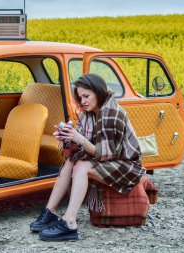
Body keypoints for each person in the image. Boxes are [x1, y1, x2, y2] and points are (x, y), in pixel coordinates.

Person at [30, 73, 145, 241]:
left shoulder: (112, 112)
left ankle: (69, 221)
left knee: (81, 166)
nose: (82, 101)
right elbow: (79, 148)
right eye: (80, 97)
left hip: (125, 166)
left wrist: (79, 138)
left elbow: (106, 154)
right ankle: (49, 212)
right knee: (71, 160)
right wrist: (67, 138)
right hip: (106, 160)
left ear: (98, 92)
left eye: (86, 96)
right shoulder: (87, 114)